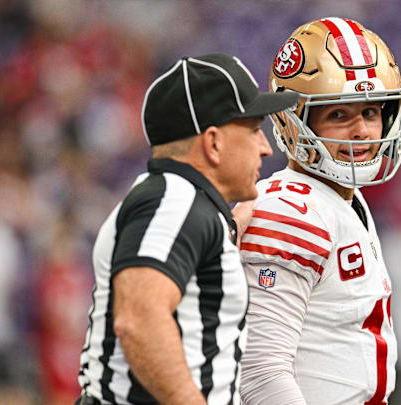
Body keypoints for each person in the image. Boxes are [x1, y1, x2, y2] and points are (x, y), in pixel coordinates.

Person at [75, 53, 298, 405]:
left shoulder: (179, 202)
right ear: (213, 143)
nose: (266, 147)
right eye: (254, 130)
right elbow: (138, 319)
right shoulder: (173, 201)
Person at [238, 18, 401, 405]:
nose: (362, 131)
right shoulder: (290, 210)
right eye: (338, 115)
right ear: (293, 122)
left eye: (370, 111)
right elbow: (261, 376)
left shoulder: (344, 199)